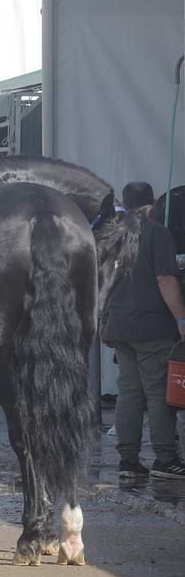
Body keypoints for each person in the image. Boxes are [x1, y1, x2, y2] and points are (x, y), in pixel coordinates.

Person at [104, 181, 185, 480]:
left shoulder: (112, 236)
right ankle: (165, 459)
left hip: (119, 326)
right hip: (152, 327)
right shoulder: (157, 233)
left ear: (124, 204)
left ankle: (128, 461)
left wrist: (104, 320)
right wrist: (181, 320)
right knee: (157, 394)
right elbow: (166, 280)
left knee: (128, 394)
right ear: (151, 203)